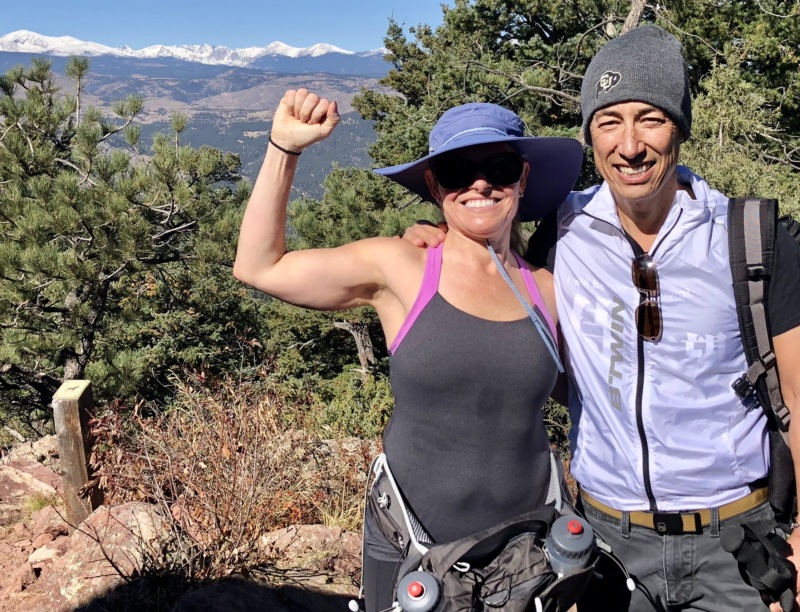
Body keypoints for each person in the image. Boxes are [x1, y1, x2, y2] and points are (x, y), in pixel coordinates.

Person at [403, 25, 800, 612]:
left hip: (736, 546)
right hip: (604, 542)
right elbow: (495, 273)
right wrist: (448, 237)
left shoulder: (755, 239)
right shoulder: (562, 232)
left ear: (681, 128)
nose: (630, 144)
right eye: (609, 121)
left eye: (651, 118)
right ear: (589, 136)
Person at [232, 89, 583, 611]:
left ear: (522, 179)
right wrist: (284, 148)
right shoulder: (401, 267)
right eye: (458, 171)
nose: (480, 183)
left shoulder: (549, 290)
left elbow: (589, 395)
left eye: (499, 166)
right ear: (434, 185)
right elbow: (259, 266)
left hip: (527, 553)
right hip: (410, 547)